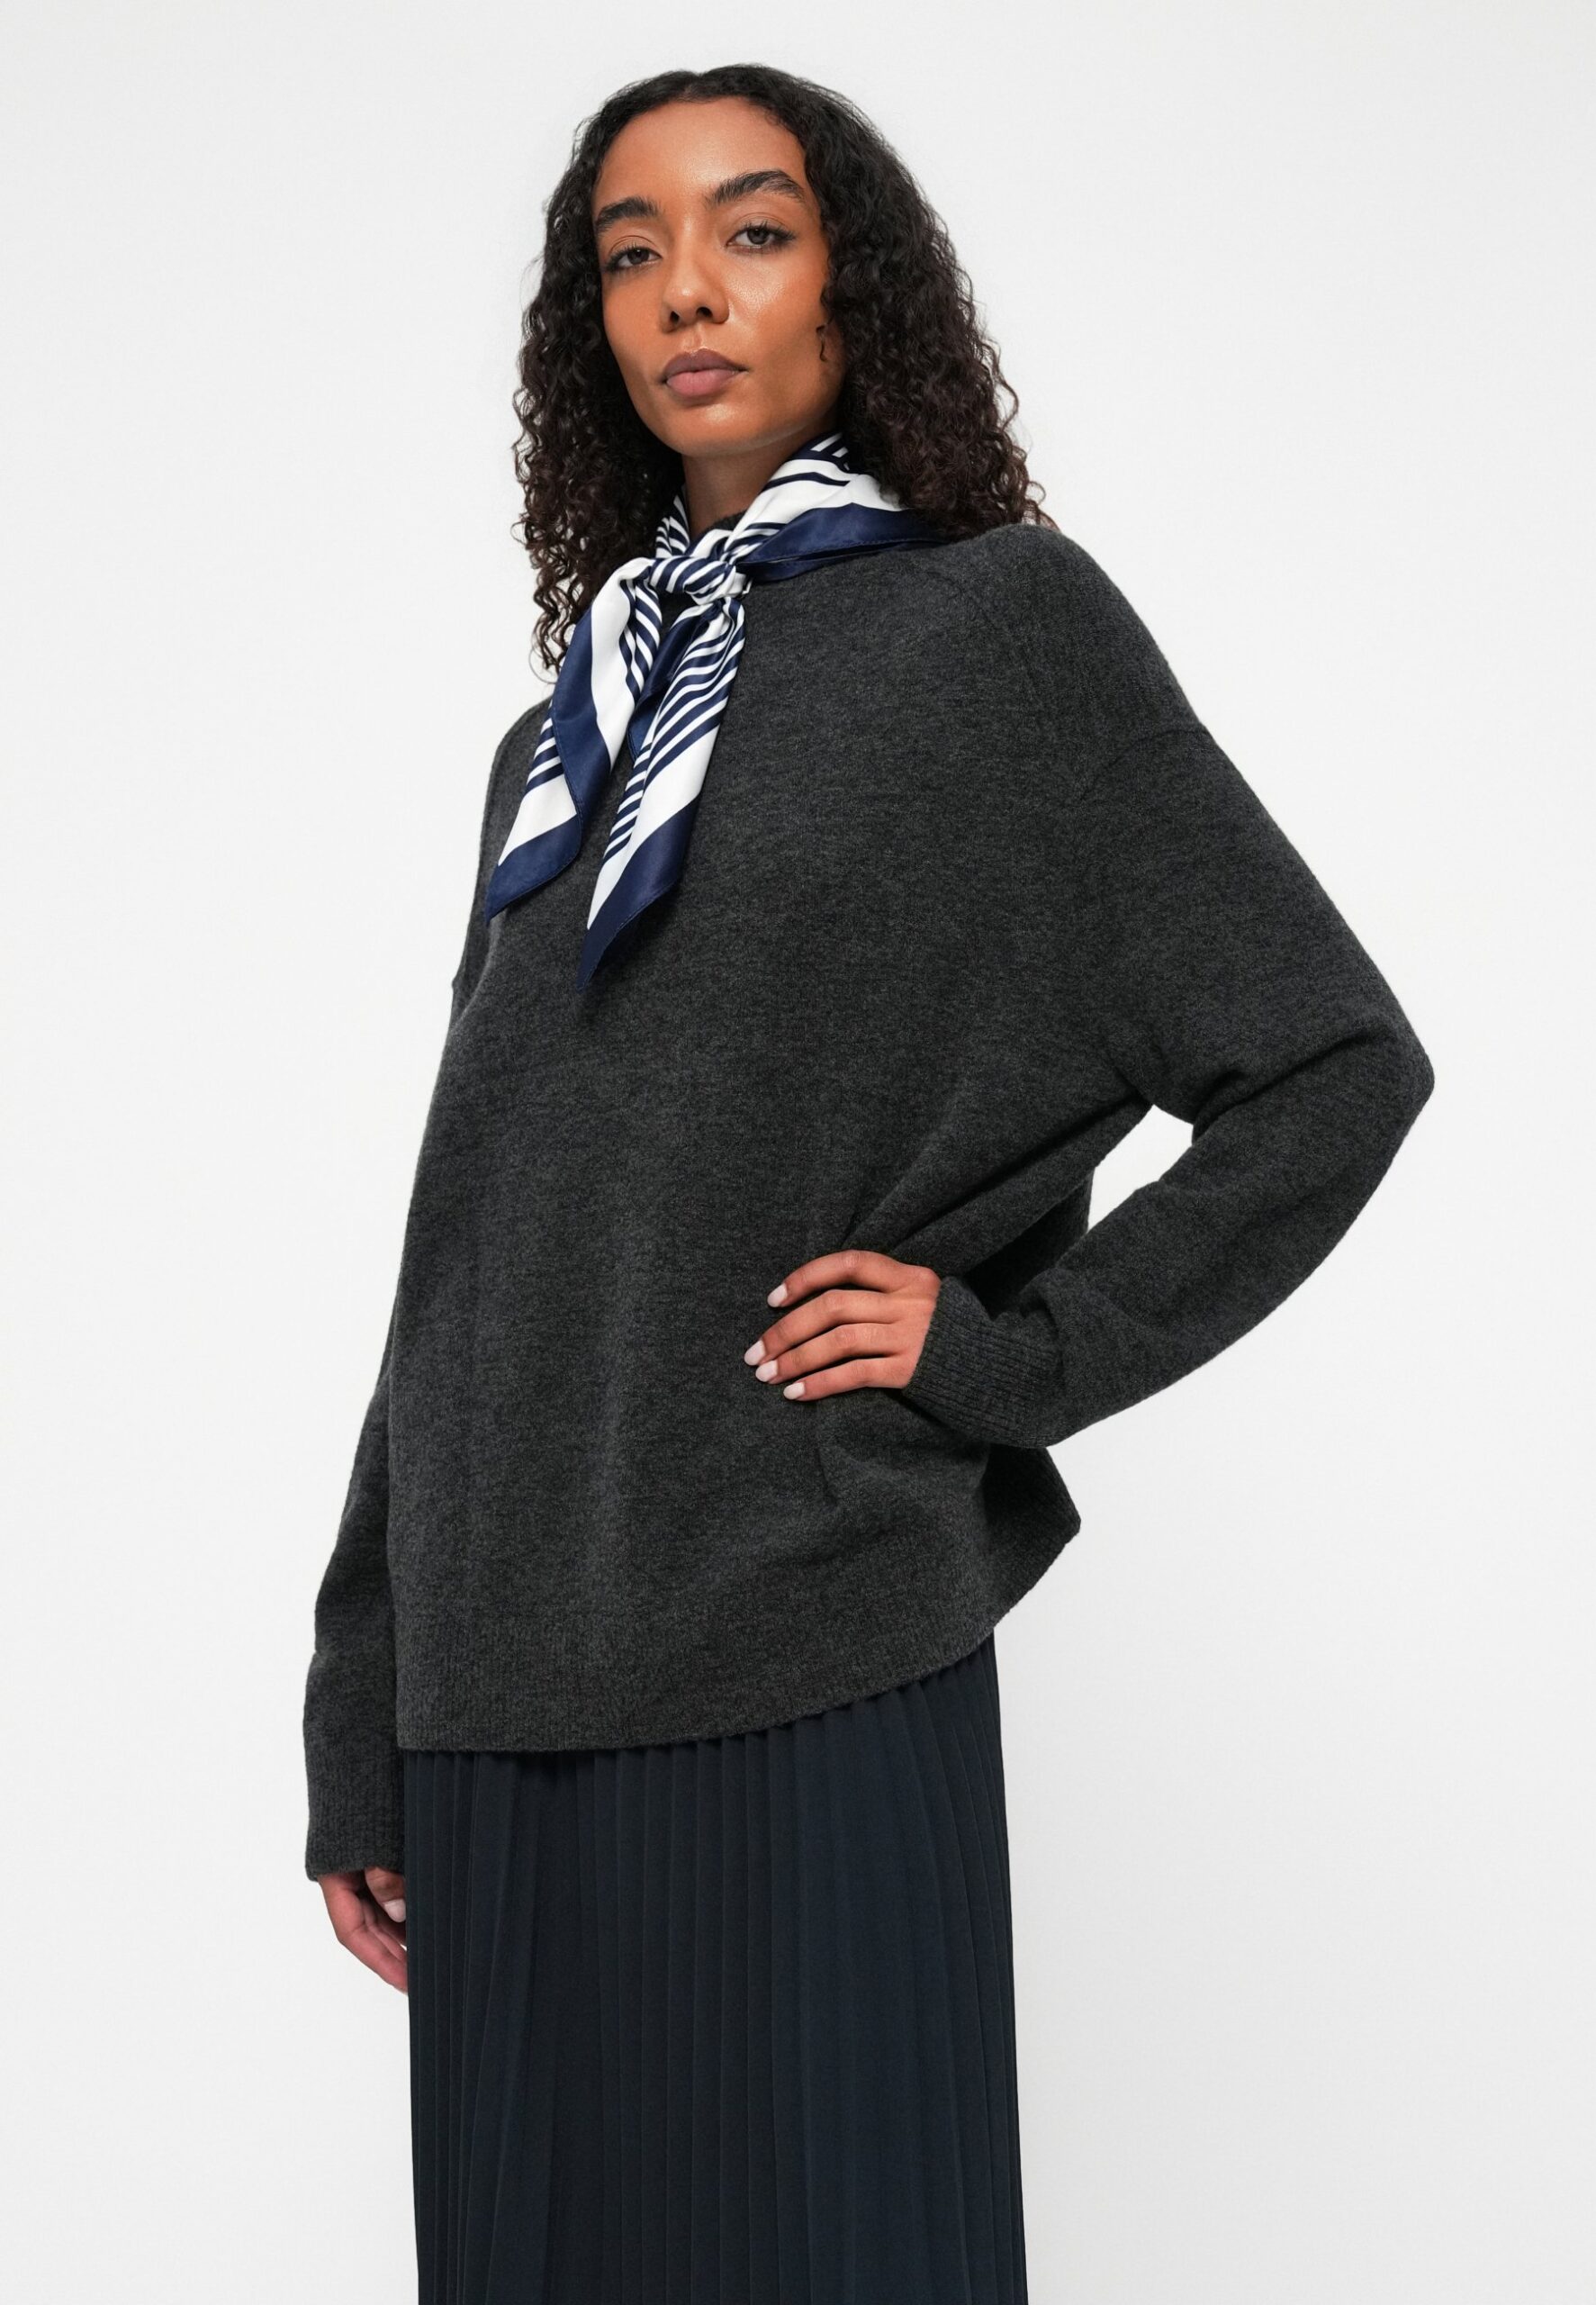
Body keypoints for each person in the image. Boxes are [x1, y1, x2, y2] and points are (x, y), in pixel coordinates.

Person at [302, 60, 1435, 2305]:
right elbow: (474, 1243)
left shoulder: (1001, 634)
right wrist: (362, 1697)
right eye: (628, 251)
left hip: (803, 1619)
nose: (684, 292)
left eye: (751, 229)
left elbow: (1326, 1061)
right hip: (499, 1674)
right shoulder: (563, 740)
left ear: (853, 285)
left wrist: (1007, 1355)